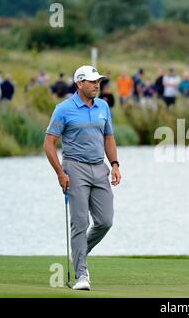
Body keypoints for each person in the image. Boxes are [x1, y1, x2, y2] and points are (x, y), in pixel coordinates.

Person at [43, 65, 121, 291]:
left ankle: (78, 252)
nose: (97, 84)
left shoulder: (103, 106)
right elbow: (49, 142)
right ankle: (81, 275)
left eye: (98, 81)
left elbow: (108, 138)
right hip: (74, 168)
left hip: (100, 168)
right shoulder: (64, 109)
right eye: (92, 81)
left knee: (105, 221)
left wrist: (115, 164)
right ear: (79, 83)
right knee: (80, 222)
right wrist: (60, 172)